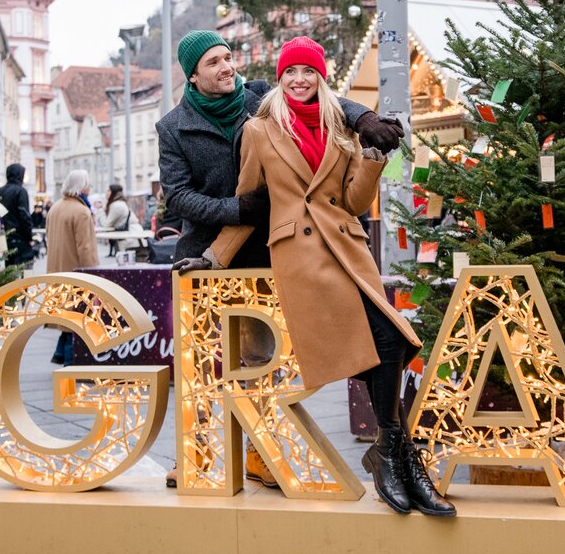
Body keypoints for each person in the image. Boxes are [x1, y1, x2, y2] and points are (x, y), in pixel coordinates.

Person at [174, 37, 456, 517]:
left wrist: (371, 158)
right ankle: (400, 459)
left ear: (321, 78)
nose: (299, 80)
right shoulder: (258, 131)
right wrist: (213, 257)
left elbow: (352, 203)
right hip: (302, 260)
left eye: (309, 72)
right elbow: (247, 204)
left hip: (347, 250)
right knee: (385, 339)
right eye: (290, 73)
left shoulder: (340, 128)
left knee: (386, 343)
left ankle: (393, 455)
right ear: (279, 79)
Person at [46, 169, 100, 365]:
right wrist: (93, 274)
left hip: (57, 270)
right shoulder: (81, 212)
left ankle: (60, 353)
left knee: (66, 316)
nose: (89, 188)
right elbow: (85, 248)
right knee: (76, 317)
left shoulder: (55, 208)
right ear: (82, 186)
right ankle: (71, 361)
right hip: (76, 270)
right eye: (88, 184)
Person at [0, 163, 35, 266]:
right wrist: (29, 237)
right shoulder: (21, 191)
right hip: (21, 239)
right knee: (26, 274)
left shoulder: (1, 191)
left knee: (9, 273)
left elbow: (0, 214)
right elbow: (25, 216)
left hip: (7, 239)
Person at [99, 183, 135, 257]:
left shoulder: (117, 205)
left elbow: (106, 224)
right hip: (129, 237)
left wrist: (100, 211)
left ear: (114, 192)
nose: (106, 192)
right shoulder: (120, 203)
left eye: (109, 190)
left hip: (129, 238)